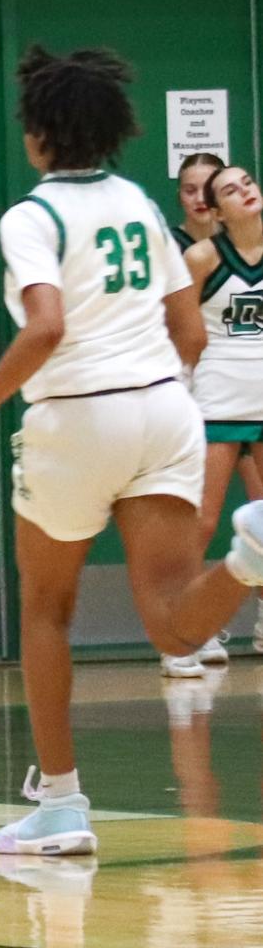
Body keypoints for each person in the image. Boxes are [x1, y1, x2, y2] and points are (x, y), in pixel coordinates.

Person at [0, 45, 263, 858]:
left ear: (39, 133)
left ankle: (62, 804)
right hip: (166, 405)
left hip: (79, 415)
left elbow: (45, 326)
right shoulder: (144, 204)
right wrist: (151, 392)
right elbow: (189, 330)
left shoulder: (30, 215)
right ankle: (252, 555)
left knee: (46, 609)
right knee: (177, 624)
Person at [181, 162, 263, 668]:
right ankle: (188, 633)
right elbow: (181, 333)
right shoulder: (202, 258)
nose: (246, 193)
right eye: (232, 191)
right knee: (203, 520)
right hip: (216, 399)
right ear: (216, 211)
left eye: (248, 183)